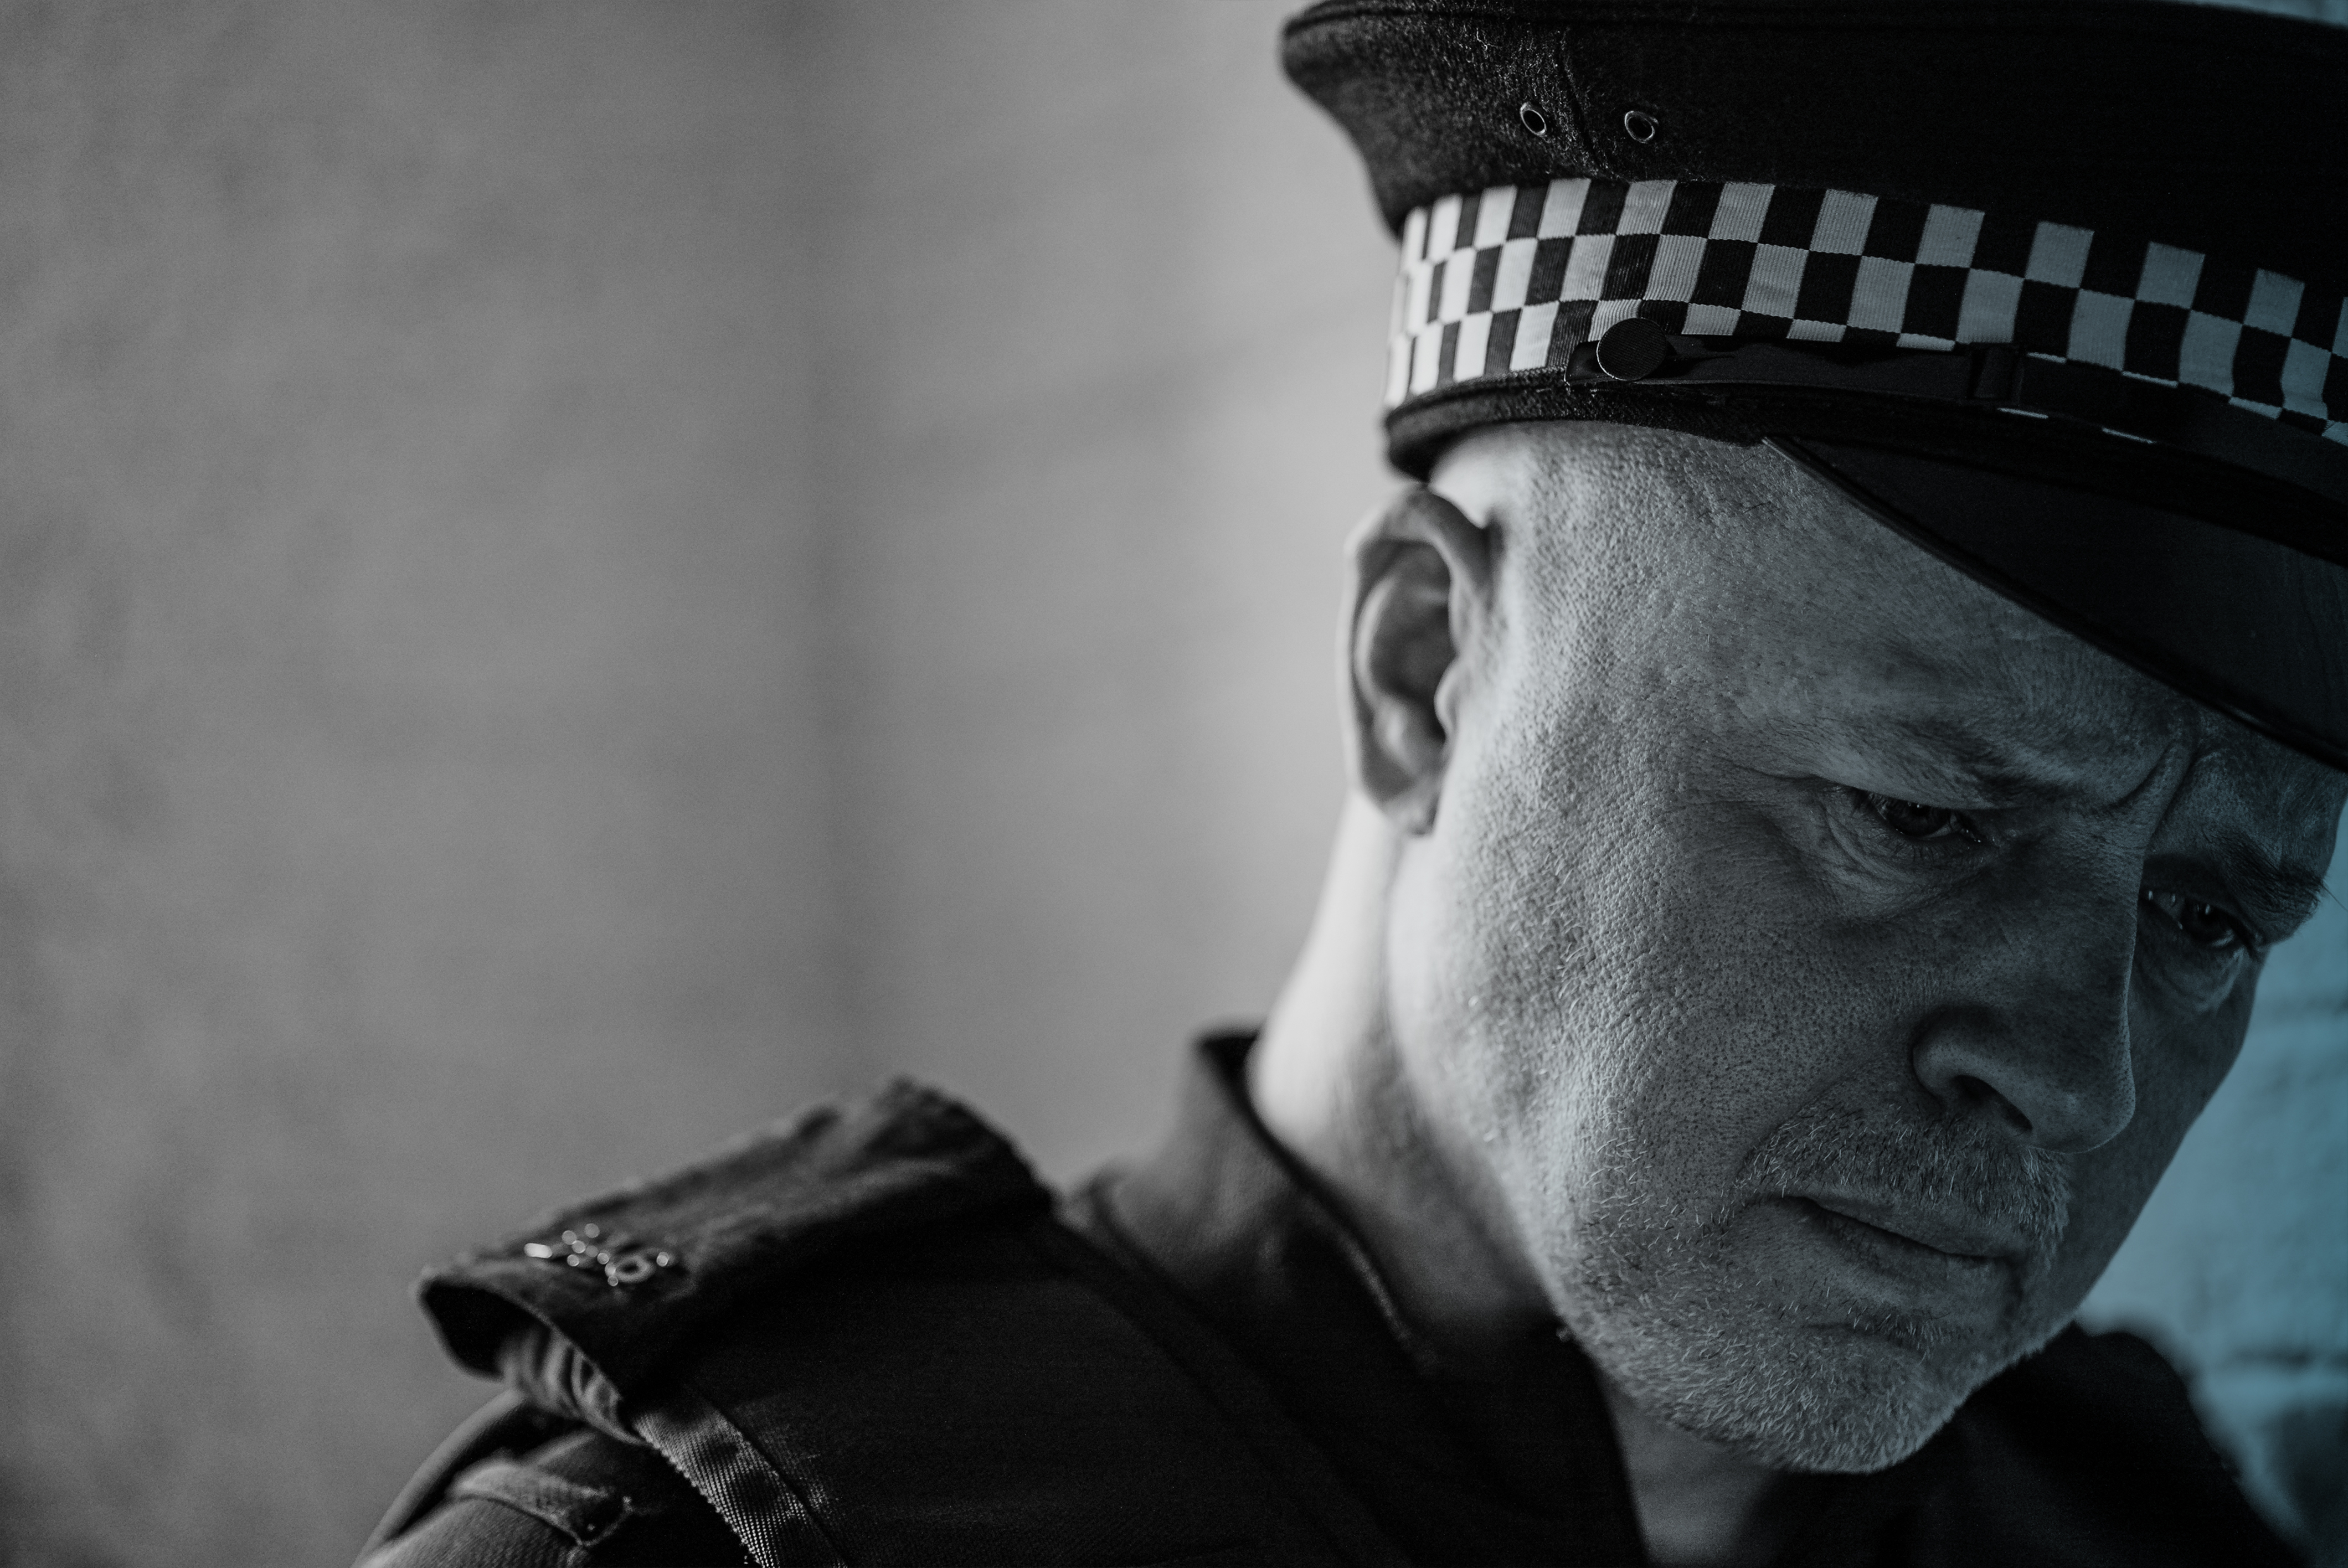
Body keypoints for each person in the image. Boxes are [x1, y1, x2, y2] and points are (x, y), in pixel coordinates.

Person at [358, 2, 2348, 1564]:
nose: (2082, 1078)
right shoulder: (704, 1549)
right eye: (1918, 817)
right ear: (1424, 674)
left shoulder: (2152, 1527)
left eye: (2206, 915)